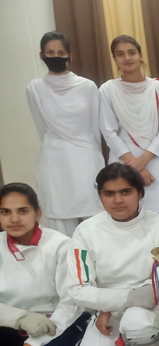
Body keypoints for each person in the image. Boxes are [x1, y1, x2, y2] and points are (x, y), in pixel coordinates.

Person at [71, 164, 159, 346]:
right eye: (109, 193)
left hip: (151, 306)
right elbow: (78, 289)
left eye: (126, 192)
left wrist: (125, 300)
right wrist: (113, 304)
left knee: (137, 322)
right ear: (100, 196)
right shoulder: (85, 231)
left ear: (140, 193)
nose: (117, 200)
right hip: (108, 312)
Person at [0, 184, 89, 346]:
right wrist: (20, 318)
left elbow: (71, 302)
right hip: (18, 324)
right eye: (5, 212)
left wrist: (35, 343)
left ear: (37, 213)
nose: (14, 219)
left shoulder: (59, 245)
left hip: (60, 323)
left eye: (22, 211)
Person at [99, 35, 159, 228]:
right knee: (126, 213)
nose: (127, 58)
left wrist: (141, 162)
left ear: (140, 55)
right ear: (115, 59)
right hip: (123, 160)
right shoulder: (107, 89)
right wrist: (135, 166)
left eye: (131, 52)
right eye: (120, 54)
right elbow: (109, 130)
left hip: (157, 161)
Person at [26, 31, 104, 237]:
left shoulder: (87, 87)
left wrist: (90, 150)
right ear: (42, 55)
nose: (56, 56)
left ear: (70, 56)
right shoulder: (35, 88)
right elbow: (41, 127)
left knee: (94, 216)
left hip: (87, 157)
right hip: (54, 159)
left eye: (61, 52)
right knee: (59, 219)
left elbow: (96, 125)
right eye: (50, 52)